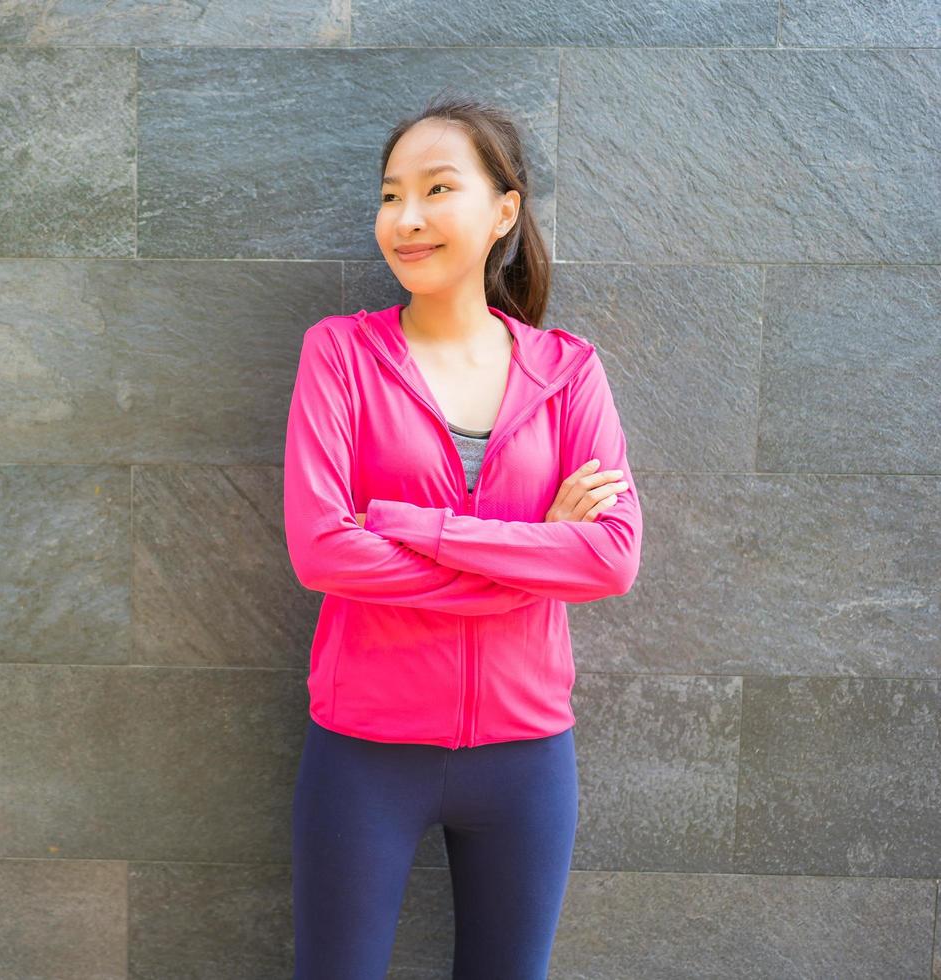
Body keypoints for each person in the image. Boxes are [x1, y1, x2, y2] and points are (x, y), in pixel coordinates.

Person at [282, 96, 644, 979]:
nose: (405, 219)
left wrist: (412, 527)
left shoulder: (568, 373)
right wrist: (531, 557)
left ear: (504, 212)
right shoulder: (339, 355)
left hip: (526, 760)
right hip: (365, 754)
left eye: (437, 189)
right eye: (390, 195)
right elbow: (322, 551)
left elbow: (611, 557)